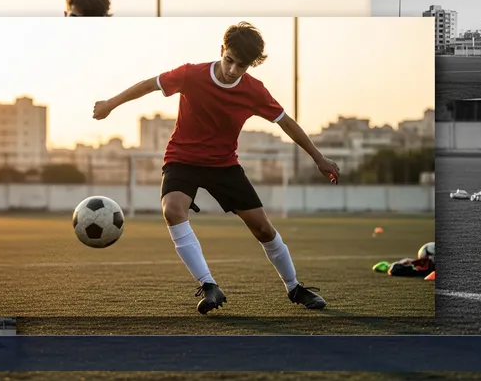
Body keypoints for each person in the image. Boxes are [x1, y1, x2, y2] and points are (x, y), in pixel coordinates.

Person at [93, 22, 341, 314]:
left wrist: (318, 158)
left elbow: (286, 123)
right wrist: (111, 103)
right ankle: (209, 285)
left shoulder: (254, 91)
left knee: (262, 228)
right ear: (222, 50)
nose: (234, 70)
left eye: (242, 65)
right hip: (182, 159)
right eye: (230, 61)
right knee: (172, 209)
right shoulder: (191, 74)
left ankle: (294, 287)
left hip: (224, 165)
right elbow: (150, 84)